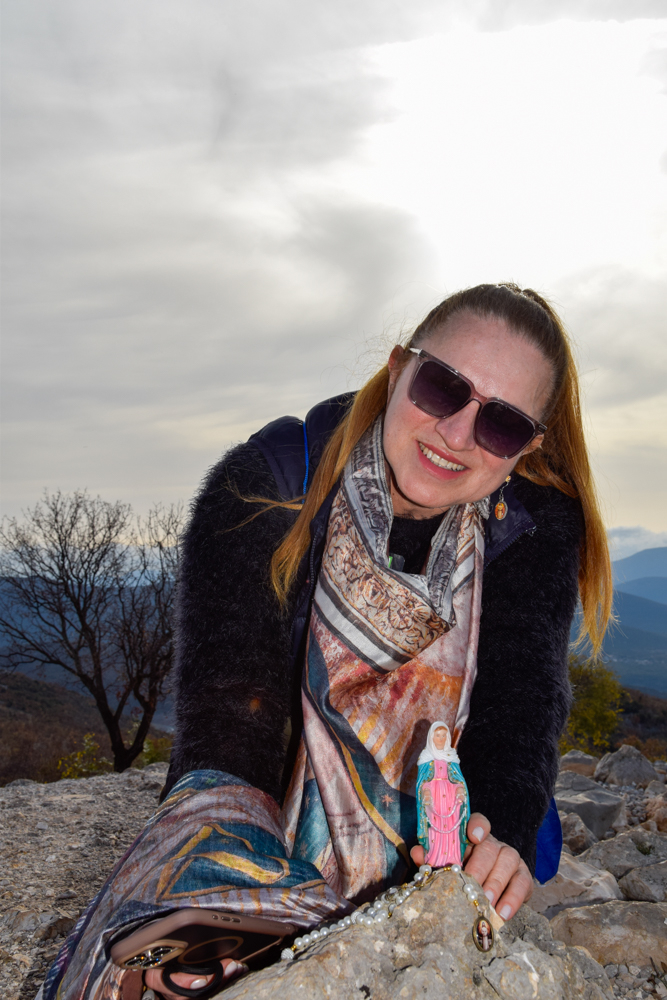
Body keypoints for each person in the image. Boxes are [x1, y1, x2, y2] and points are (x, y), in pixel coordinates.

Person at [41, 283, 612, 1000]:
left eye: (501, 423)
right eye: (443, 387)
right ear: (399, 368)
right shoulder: (268, 481)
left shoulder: (533, 524)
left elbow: (519, 706)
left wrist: (500, 839)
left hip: (442, 821)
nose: (457, 433)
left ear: (528, 446)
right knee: (161, 958)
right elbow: (231, 711)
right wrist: (232, 864)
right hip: (267, 803)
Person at [416, 722, 470, 867]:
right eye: (437, 735)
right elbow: (422, 781)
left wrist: (459, 789)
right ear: (431, 737)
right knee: (434, 827)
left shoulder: (451, 757)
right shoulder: (425, 758)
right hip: (434, 798)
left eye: (443, 736)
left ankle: (453, 857)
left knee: (453, 827)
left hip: (450, 797)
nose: (440, 739)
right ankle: (435, 857)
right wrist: (426, 791)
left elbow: (458, 779)